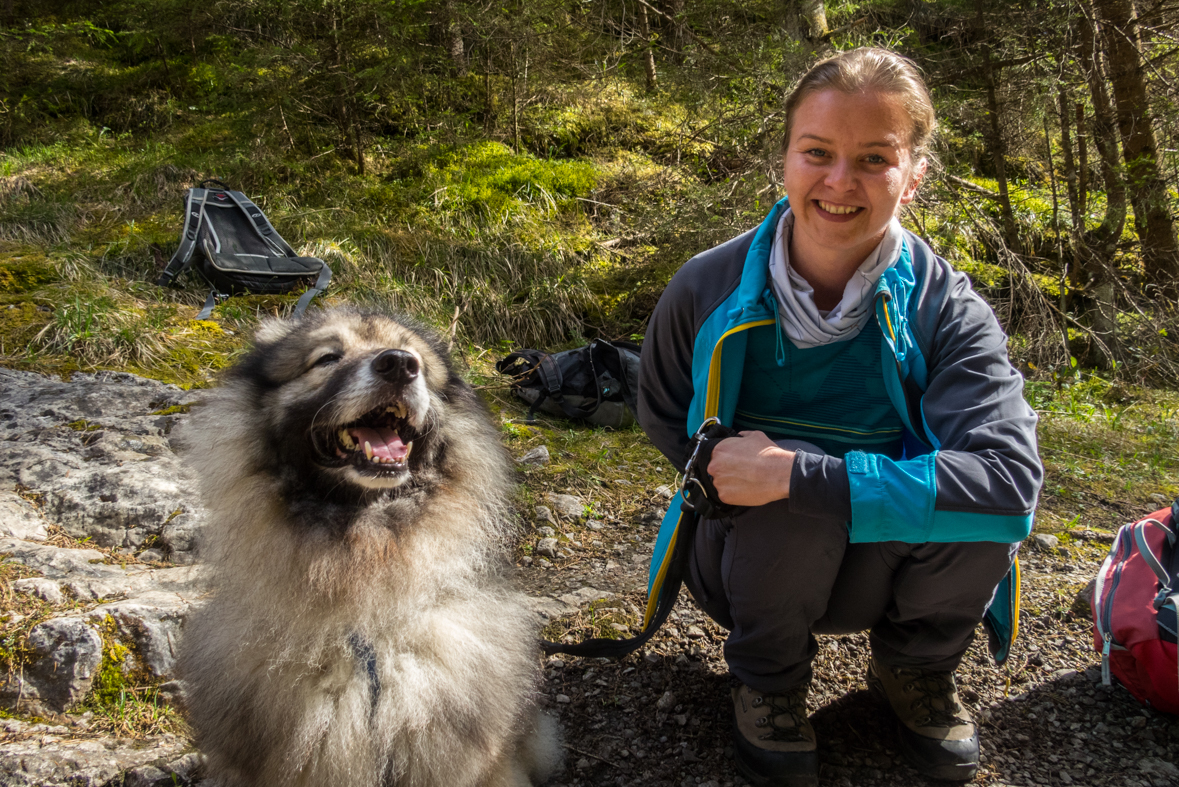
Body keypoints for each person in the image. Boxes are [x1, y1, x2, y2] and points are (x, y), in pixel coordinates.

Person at [637, 48, 1042, 787]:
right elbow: (665, 411)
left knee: (945, 503)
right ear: (784, 161)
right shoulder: (705, 287)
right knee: (787, 500)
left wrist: (808, 477)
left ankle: (912, 667)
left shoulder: (947, 310)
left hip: (893, 568)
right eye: (816, 153)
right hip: (742, 563)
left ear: (913, 175)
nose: (838, 182)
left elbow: (1008, 484)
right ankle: (767, 679)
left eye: (874, 159)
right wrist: (743, 490)